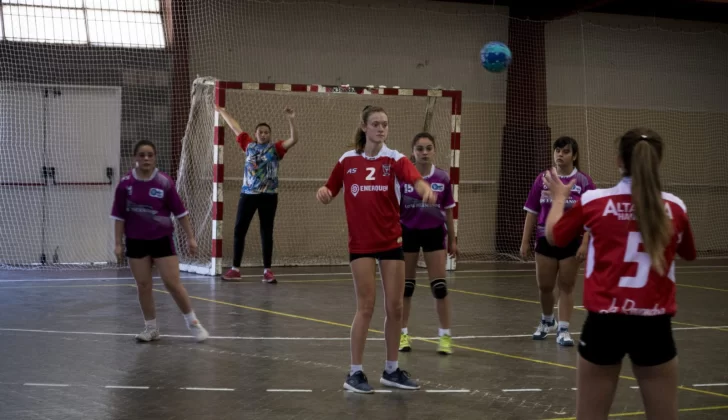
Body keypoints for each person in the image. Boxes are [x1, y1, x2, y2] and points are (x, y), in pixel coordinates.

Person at [543, 128, 696, 420]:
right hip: (654, 326)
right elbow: (688, 253)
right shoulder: (675, 207)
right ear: (657, 161)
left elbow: (554, 236)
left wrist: (560, 198)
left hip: (605, 325)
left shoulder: (594, 201)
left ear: (618, 161)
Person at [316, 105, 436, 393]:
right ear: (364, 126)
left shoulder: (394, 160)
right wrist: (324, 193)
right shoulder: (347, 161)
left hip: (391, 243)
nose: (381, 128)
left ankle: (391, 370)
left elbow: (415, 179)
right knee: (366, 307)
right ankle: (354, 373)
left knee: (395, 307)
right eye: (376, 124)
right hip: (361, 246)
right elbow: (330, 188)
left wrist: (425, 190)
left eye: (385, 124)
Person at [111, 140, 209, 343]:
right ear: (135, 158)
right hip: (136, 241)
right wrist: (118, 243)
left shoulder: (164, 182)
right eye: (141, 155)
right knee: (143, 285)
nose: (146, 158)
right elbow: (119, 216)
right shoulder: (125, 184)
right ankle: (151, 328)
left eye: (150, 155)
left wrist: (191, 237)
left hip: (161, 240)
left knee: (172, 283)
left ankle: (193, 323)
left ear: (155, 158)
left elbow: (181, 213)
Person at [520, 136, 595, 346]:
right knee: (545, 286)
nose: (560, 154)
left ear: (574, 155)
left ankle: (563, 329)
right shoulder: (542, 179)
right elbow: (532, 211)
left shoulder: (583, 182)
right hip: (544, 240)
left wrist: (585, 243)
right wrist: (525, 241)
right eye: (557, 150)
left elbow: (591, 216)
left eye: (565, 151)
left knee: (566, 286)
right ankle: (547, 321)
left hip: (572, 242)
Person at [216, 106, 299, 283]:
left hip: (269, 195)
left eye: (266, 132)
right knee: (240, 229)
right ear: (255, 134)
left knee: (266, 231)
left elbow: (293, 139)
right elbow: (234, 127)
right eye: (260, 132)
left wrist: (291, 119)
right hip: (248, 194)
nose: (263, 134)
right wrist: (222, 111)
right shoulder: (248, 145)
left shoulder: (275, 148)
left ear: (270, 135)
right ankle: (235, 269)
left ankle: (267, 271)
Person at [398, 132, 457, 355]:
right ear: (413, 151)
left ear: (434, 150)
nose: (424, 152)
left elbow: (449, 212)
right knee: (406, 287)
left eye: (428, 148)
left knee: (440, 287)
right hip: (408, 232)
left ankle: (444, 336)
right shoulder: (403, 177)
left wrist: (452, 239)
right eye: (419, 148)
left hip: (434, 233)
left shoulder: (442, 178)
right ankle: (402, 333)